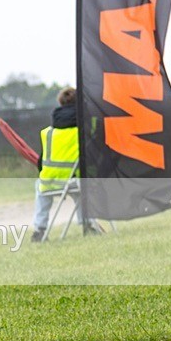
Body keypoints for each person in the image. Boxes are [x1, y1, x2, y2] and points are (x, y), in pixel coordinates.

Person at [31, 86, 101, 242]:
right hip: (77, 180)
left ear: (60, 103)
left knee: (40, 187)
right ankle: (87, 224)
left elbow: (41, 163)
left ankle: (39, 230)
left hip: (51, 182)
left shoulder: (48, 132)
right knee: (81, 186)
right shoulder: (87, 128)